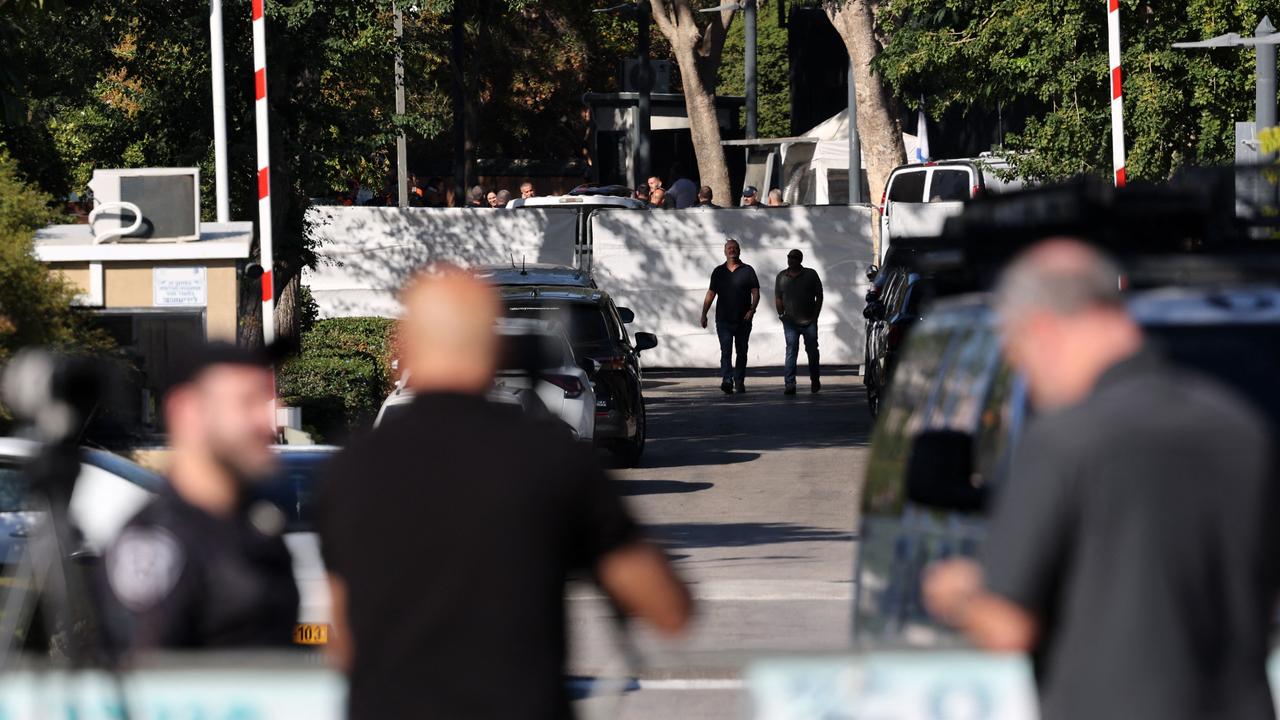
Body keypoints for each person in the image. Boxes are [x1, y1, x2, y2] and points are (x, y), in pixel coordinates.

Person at [923, 239, 1280, 720]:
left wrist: (957, 592)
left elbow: (1008, 625)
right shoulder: (1240, 428)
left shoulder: (1067, 441)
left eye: (1019, 354)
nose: (1028, 371)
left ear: (1043, 329)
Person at [318, 268, 692, 720]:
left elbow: (340, 641)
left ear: (408, 348)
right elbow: (669, 610)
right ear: (494, 348)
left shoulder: (353, 469)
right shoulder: (549, 459)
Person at [103, 342, 298, 651]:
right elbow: (147, 683)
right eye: (248, 402)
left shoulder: (259, 524)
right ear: (188, 413)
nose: (272, 422)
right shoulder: (158, 542)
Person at [700, 238, 760, 394]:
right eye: (729, 248)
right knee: (725, 351)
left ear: (739, 251)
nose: (732, 250)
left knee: (741, 351)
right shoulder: (718, 271)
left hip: (743, 320)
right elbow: (711, 293)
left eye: (735, 248)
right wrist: (704, 313)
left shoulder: (748, 270)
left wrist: (752, 309)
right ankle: (727, 380)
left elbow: (756, 292)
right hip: (723, 320)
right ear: (725, 252)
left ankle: (739, 381)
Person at [774, 249, 822, 394]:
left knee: (812, 352)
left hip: (809, 321)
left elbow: (819, 296)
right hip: (790, 322)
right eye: (789, 257)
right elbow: (778, 297)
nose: (791, 259)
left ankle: (815, 380)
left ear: (800, 259)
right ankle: (790, 384)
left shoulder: (811, 274)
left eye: (795, 257)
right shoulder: (782, 276)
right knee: (791, 351)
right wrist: (781, 314)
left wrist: (815, 316)